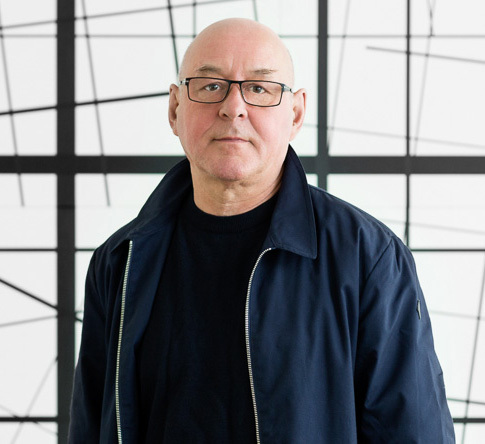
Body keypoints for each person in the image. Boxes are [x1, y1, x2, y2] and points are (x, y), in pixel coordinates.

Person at [69, 18, 455, 444]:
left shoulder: (367, 257)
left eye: (259, 88)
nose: (233, 107)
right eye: (211, 85)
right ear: (175, 109)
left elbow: (414, 434)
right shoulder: (121, 260)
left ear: (296, 113)